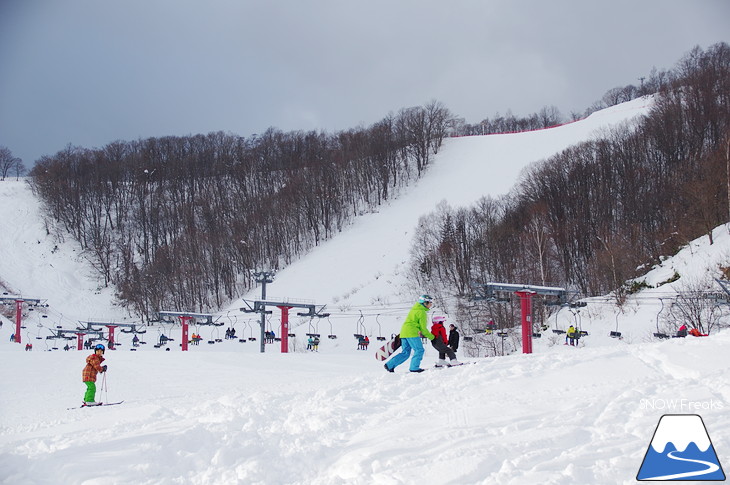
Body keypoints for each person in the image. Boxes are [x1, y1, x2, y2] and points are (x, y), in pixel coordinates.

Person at [384, 295, 436, 373]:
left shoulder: (414, 309)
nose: (431, 305)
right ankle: (414, 368)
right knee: (419, 350)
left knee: (405, 352)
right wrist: (432, 337)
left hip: (404, 332)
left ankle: (389, 365)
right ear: (425, 303)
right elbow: (423, 329)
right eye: (430, 303)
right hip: (412, 332)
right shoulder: (421, 312)